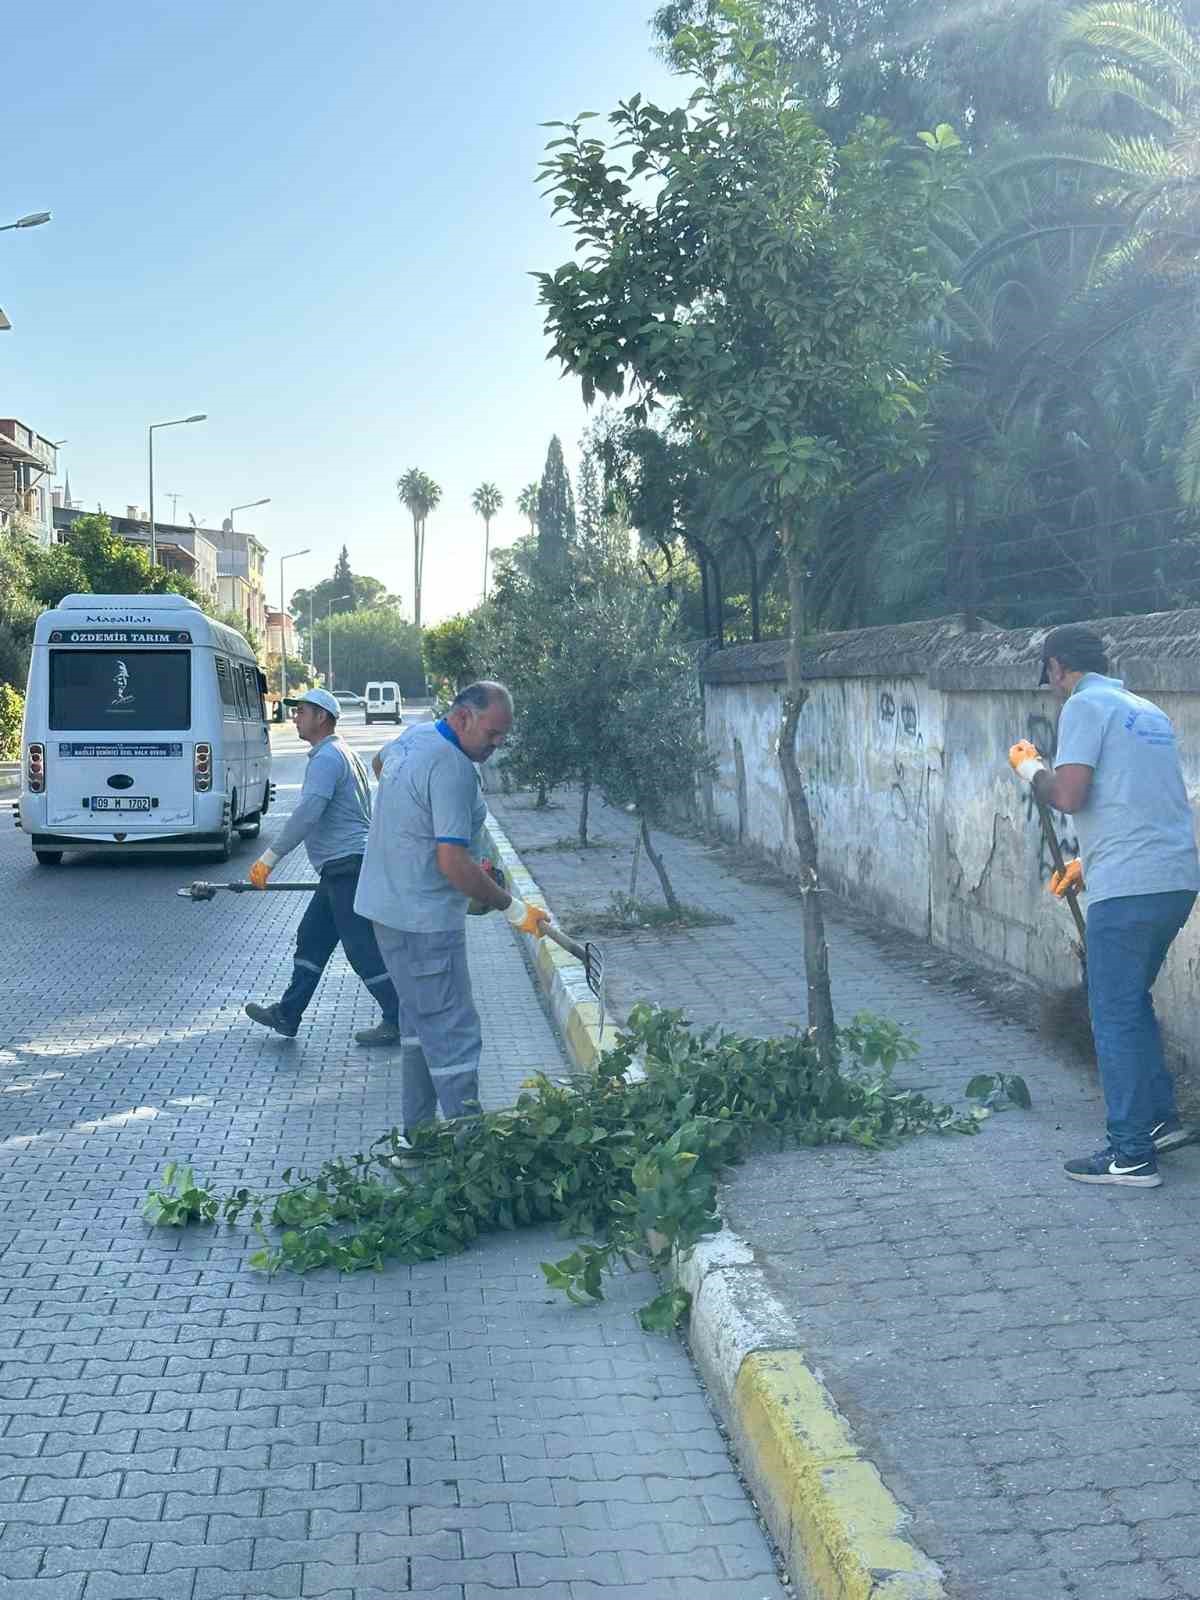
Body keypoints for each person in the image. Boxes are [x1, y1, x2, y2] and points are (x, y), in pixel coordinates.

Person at [1008, 624, 1200, 1188]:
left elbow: (1069, 796)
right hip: (1173, 880)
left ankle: (1130, 1154)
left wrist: (1030, 770)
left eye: (1048, 676)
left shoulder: (1085, 706)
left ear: (1057, 666)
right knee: (1128, 1001)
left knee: (1110, 1013)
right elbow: (1142, 802)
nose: (1050, 688)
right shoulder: (1147, 712)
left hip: (1129, 886)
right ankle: (1160, 1122)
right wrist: (1086, 865)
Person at [354, 681, 549, 1133]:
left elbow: (381, 764)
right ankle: (471, 1143)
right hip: (423, 921)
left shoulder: (416, 737)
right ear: (463, 717)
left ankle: (419, 1134)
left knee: (420, 1024)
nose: (497, 746)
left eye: (504, 736)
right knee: (452, 1030)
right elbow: (452, 863)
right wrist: (510, 907)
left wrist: (411, 830)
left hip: (387, 911)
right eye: (492, 734)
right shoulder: (454, 768)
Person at [243, 686, 403, 1046]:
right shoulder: (341, 754)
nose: (296, 716)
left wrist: (270, 858)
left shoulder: (328, 758)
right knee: (312, 940)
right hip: (340, 868)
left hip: (347, 867)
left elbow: (308, 812)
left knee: (362, 950)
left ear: (322, 717)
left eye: (301, 711)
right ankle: (288, 1013)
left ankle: (400, 1017)